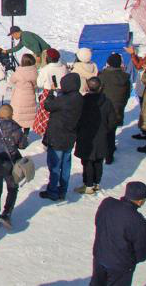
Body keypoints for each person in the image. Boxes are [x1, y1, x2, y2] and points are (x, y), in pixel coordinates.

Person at [91, 181, 146, 286]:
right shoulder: (138, 221)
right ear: (140, 201)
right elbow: (142, 253)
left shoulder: (107, 203)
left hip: (100, 256)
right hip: (120, 265)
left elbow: (98, 222)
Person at [40, 72, 83, 200]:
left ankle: (52, 191)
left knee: (54, 166)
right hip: (70, 137)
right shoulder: (79, 98)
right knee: (66, 165)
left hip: (57, 137)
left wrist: (51, 93)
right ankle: (62, 191)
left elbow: (48, 105)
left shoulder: (63, 100)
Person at [76, 77, 118, 195]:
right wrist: (105, 130)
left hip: (86, 137)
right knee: (98, 161)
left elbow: (78, 119)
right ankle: (96, 183)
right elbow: (113, 120)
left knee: (87, 162)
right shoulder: (107, 102)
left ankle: (88, 185)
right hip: (101, 137)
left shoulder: (83, 101)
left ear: (88, 87)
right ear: (100, 88)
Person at [98, 53, 131, 164]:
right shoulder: (125, 77)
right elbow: (127, 94)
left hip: (104, 108)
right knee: (112, 132)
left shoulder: (102, 75)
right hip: (117, 108)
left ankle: (103, 151)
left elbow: (98, 91)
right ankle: (109, 155)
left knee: (103, 131)